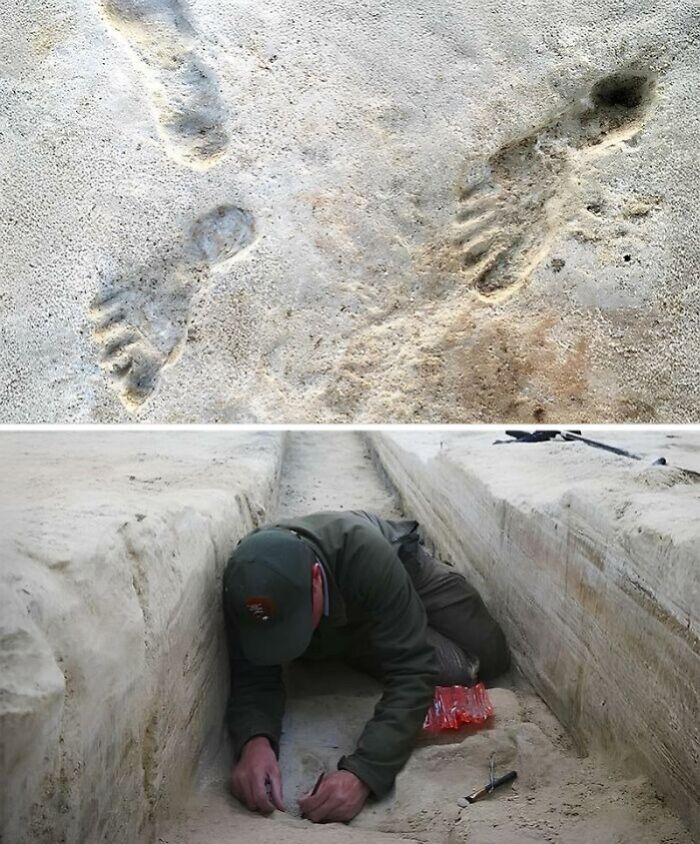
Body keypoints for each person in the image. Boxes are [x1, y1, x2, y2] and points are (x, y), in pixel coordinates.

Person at [222, 510, 509, 823]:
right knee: (453, 673)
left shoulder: (363, 553)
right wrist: (254, 740)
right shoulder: (246, 585)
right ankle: (369, 635)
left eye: (294, 627)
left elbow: (412, 672)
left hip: (400, 568)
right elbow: (252, 672)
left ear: (316, 580)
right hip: (351, 617)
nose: (287, 646)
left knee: (490, 654)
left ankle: (398, 620)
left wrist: (363, 773)